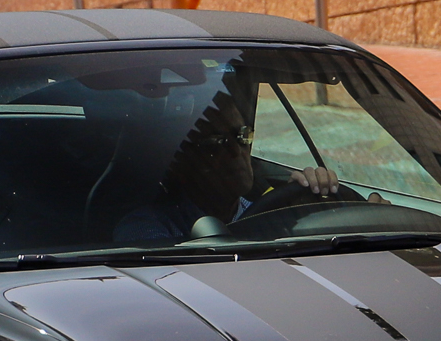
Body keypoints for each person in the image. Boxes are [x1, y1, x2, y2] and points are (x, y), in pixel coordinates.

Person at [114, 69, 357, 243]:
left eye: (241, 136)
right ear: (180, 163)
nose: (235, 152)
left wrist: (323, 211)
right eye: (214, 144)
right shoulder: (147, 230)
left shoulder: (271, 210)